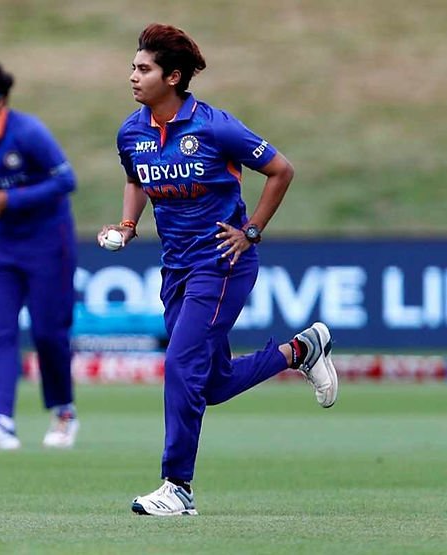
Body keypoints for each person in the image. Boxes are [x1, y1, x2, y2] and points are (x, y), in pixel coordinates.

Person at [97, 23, 338, 516]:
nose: (133, 77)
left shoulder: (214, 126)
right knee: (211, 383)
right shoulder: (131, 131)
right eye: (133, 67)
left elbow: (280, 169)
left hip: (222, 263)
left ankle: (177, 487)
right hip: (176, 269)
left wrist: (250, 231)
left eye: (144, 69)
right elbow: (136, 178)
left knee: (181, 366)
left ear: (174, 77)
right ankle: (301, 350)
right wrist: (127, 224)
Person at [0, 62, 79, 450]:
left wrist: (9, 198)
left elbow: (65, 181)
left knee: (47, 332)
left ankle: (63, 413)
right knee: (0, 331)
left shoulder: (28, 133)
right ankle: (2, 423)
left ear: (2, 101)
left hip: (47, 241)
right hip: (0, 245)